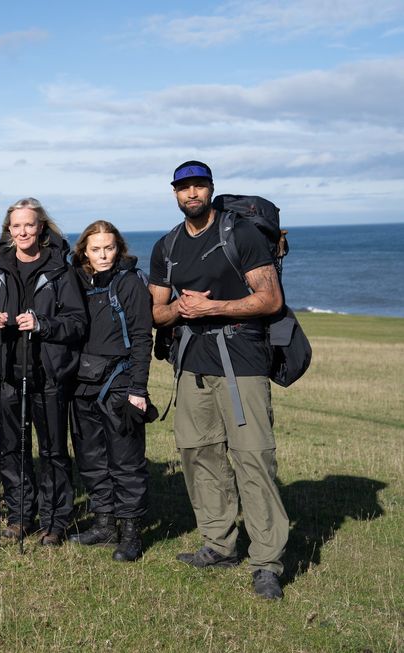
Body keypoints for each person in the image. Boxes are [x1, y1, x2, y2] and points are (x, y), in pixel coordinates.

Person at [149, 161, 288, 600]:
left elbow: (269, 299)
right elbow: (157, 311)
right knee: (198, 454)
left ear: (211, 189)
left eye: (198, 186)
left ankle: (267, 561)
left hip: (242, 361)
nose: (191, 193)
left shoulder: (239, 235)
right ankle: (218, 543)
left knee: (252, 458)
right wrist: (182, 310)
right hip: (190, 364)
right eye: (183, 187)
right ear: (174, 193)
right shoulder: (167, 245)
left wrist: (214, 308)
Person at [0, 198, 86, 546]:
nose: (22, 231)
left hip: (48, 375)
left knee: (52, 450)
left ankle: (55, 520)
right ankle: (20, 515)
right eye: (16, 226)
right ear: (9, 230)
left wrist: (43, 324)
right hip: (6, 374)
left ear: (41, 228)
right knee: (11, 449)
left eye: (29, 225)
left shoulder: (60, 271)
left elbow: (78, 324)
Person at [68, 220, 153, 561]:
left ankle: (130, 532)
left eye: (109, 248)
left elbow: (143, 338)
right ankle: (104, 525)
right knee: (91, 459)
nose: (103, 255)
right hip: (81, 383)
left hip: (120, 383)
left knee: (127, 461)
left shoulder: (130, 283)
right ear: (84, 252)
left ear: (119, 248)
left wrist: (138, 389)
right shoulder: (75, 282)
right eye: (96, 249)